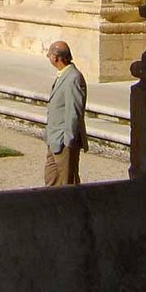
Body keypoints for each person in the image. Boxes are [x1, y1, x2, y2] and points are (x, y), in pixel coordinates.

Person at [44, 40, 88, 186]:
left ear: (56, 58)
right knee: (51, 181)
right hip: (54, 140)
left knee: (68, 184)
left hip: (64, 142)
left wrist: (68, 142)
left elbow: (73, 112)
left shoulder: (73, 78)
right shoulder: (63, 75)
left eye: (49, 54)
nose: (48, 57)